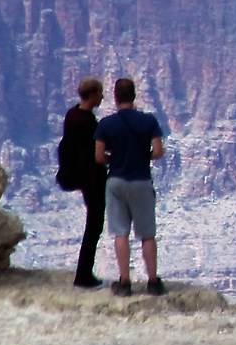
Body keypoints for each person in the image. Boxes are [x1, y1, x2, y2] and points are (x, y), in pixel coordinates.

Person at [93, 76, 168, 297]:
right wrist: (143, 157)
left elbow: (98, 156)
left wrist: (113, 160)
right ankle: (153, 282)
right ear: (134, 96)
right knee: (147, 234)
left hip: (116, 181)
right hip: (141, 181)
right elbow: (159, 151)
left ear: (115, 98)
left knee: (120, 233)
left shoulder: (106, 124)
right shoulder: (149, 122)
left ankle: (124, 283)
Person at [56, 77, 107, 288]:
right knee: (94, 226)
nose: (102, 96)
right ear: (93, 94)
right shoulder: (87, 122)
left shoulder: (72, 114)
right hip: (92, 179)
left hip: (83, 178)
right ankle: (83, 275)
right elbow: (96, 155)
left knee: (93, 226)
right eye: (100, 92)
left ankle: (84, 273)